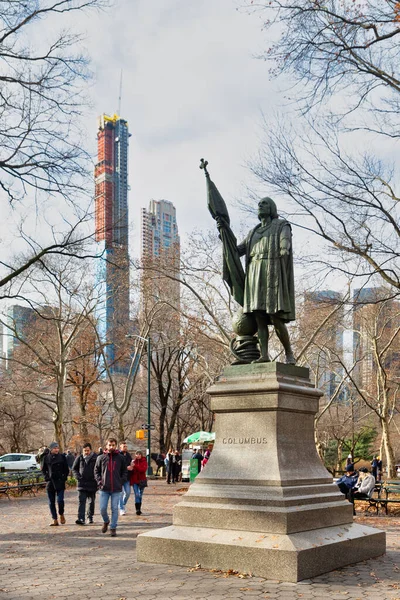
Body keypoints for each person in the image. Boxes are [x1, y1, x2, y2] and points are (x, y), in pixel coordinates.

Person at [94, 438, 127, 537]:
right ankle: (106, 521)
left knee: (114, 508)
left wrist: (121, 481)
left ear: (116, 446)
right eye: (110, 445)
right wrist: (99, 481)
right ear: (106, 446)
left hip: (116, 488)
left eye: (113, 445)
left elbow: (124, 471)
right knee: (102, 508)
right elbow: (96, 471)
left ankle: (113, 527)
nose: (111, 447)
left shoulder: (120, 458)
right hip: (104, 488)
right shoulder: (101, 458)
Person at [41, 442, 69, 526]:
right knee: (51, 502)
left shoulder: (62, 457)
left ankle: (61, 514)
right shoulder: (46, 458)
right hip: (50, 482)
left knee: (60, 500)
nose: (56, 449)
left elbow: (66, 469)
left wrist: (64, 477)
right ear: (51, 449)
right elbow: (43, 469)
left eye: (57, 448)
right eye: (55, 448)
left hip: (60, 481)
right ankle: (55, 519)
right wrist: (47, 477)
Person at [72, 443, 98, 525]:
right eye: (85, 451)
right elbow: (74, 469)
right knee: (81, 501)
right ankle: (81, 518)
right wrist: (78, 477)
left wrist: (96, 478)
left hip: (92, 483)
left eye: (88, 450)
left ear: (91, 450)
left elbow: (99, 469)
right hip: (82, 484)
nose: (86, 452)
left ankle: (90, 517)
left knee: (91, 501)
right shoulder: (79, 458)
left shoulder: (95, 458)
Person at [128, 451, 148, 515]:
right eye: (137, 454)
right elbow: (131, 471)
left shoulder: (144, 461)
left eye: (139, 454)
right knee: (137, 494)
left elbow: (143, 470)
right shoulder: (133, 462)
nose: (138, 455)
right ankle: (137, 509)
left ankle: (139, 508)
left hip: (142, 480)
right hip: (135, 480)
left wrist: (135, 466)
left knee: (140, 495)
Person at [118, 441, 132, 516]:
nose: (125, 448)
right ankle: (121, 509)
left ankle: (123, 504)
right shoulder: (118, 455)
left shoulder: (128, 455)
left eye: (126, 446)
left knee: (128, 493)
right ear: (120, 447)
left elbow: (130, 464)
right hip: (119, 478)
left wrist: (132, 466)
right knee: (120, 493)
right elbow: (117, 466)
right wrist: (127, 468)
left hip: (127, 478)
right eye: (124, 446)